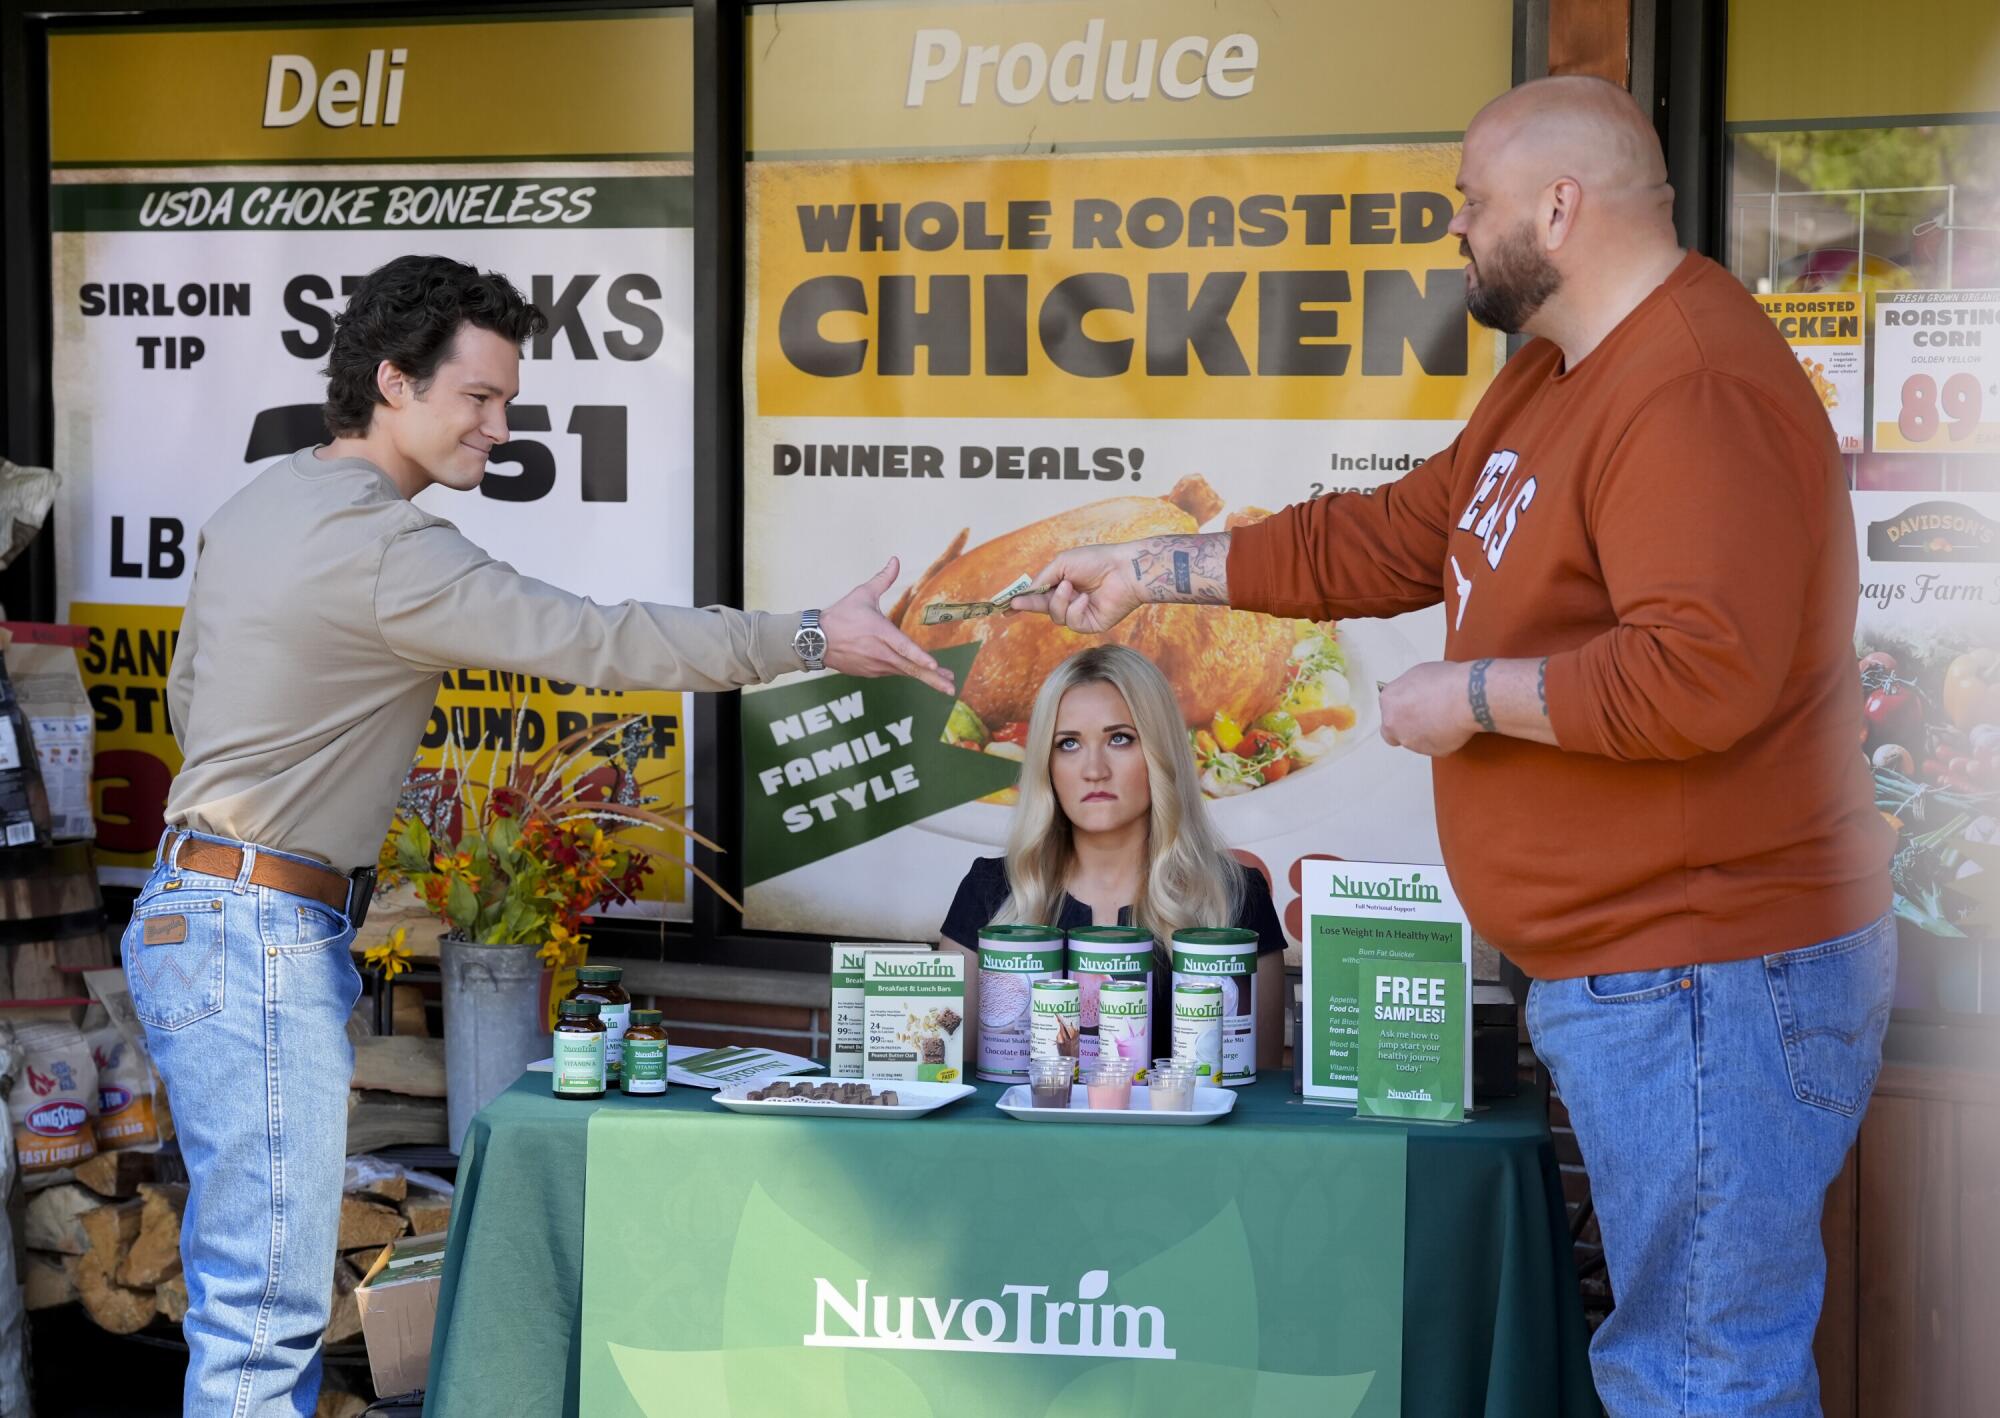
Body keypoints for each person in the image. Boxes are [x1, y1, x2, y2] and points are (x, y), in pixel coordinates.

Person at [1012, 76, 1895, 1416]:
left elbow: (1699, 675)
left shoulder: (1693, 385)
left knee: (1701, 1373)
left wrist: (1469, 695)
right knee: (1670, 1360)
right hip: (1647, 982)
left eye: (1468, 204)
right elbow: (1388, 535)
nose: (1452, 234)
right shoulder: (1554, 372)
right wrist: (1150, 567)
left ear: (1559, 204)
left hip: (1715, 977)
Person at [124, 254, 953, 1415]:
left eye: (508, 401)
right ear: (394, 381)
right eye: (480, 397)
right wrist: (807, 636)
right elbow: (596, 639)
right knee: (261, 1330)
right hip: (256, 930)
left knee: (241, 1306)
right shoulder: (381, 547)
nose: (501, 427)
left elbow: (187, 697)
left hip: (196, 911)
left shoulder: (260, 501)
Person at [939, 644, 1286, 1067]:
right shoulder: (990, 892)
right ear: (1045, 765)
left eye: (1120, 739)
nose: (1094, 769)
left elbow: (1259, 1098)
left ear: (1161, 753)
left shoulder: (1235, 895)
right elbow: (942, 1069)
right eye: (1068, 744)